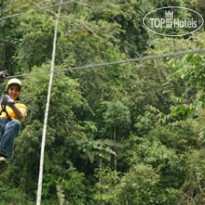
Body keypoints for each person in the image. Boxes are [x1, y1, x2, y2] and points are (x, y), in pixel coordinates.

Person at [0, 78, 27, 163]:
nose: (14, 92)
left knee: (15, 123)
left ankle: (2, 153)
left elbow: (21, 115)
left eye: (16, 90)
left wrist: (11, 104)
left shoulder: (21, 105)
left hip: (11, 125)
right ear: (7, 91)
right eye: (11, 89)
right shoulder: (1, 104)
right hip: (1, 123)